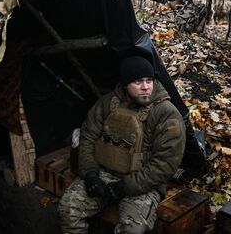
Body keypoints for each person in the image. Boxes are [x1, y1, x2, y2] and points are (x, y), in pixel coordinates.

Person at [58, 56, 186, 234]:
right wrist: (91, 174)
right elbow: (87, 137)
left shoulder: (167, 114)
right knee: (68, 210)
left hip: (143, 184)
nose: (145, 86)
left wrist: (125, 187)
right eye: (138, 81)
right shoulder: (108, 103)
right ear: (125, 84)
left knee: (132, 230)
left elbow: (166, 163)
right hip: (105, 173)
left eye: (149, 80)